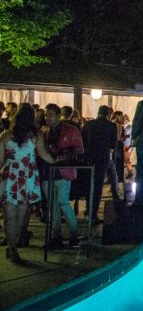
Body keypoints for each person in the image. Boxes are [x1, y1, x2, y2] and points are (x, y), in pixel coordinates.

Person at [1, 104, 57, 263]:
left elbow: (0, 161)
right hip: (27, 177)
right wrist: (56, 160)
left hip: (10, 176)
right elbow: (45, 155)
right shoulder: (36, 136)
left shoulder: (5, 136)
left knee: (9, 217)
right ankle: (13, 248)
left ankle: (12, 247)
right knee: (21, 216)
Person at [43, 103, 84, 248]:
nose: (47, 118)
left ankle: (73, 234)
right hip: (48, 171)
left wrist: (62, 152)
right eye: (46, 115)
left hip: (62, 171)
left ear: (58, 116)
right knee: (53, 206)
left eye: (50, 115)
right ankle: (57, 236)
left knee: (62, 203)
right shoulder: (45, 131)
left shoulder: (70, 130)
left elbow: (79, 149)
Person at [82, 105, 119, 223]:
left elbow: (82, 141)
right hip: (102, 158)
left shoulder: (88, 124)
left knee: (88, 185)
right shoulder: (111, 126)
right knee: (98, 186)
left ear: (98, 113)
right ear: (108, 114)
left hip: (88, 158)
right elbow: (113, 145)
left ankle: (88, 209)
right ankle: (93, 214)